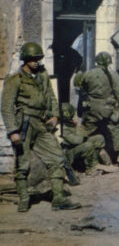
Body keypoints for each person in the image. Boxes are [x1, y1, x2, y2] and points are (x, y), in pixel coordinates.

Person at [1, 42, 81, 211]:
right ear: (25, 60)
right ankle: (24, 199)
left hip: (42, 123)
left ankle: (58, 198)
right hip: (24, 124)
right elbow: (6, 107)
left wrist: (55, 116)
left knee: (57, 158)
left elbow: (51, 97)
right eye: (33, 59)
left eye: (38, 58)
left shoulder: (43, 75)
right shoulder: (15, 80)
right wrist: (12, 131)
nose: (36, 62)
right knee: (22, 164)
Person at [76, 51, 119, 168]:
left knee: (85, 130)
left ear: (96, 61)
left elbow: (82, 91)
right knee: (116, 130)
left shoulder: (88, 74)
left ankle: (75, 152)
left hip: (92, 108)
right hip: (109, 108)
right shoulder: (114, 76)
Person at [60, 102, 106, 174]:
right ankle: (90, 168)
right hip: (69, 154)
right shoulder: (63, 128)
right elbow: (78, 141)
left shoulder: (69, 123)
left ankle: (95, 162)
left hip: (77, 147)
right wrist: (78, 126)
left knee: (99, 138)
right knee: (88, 145)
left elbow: (84, 135)